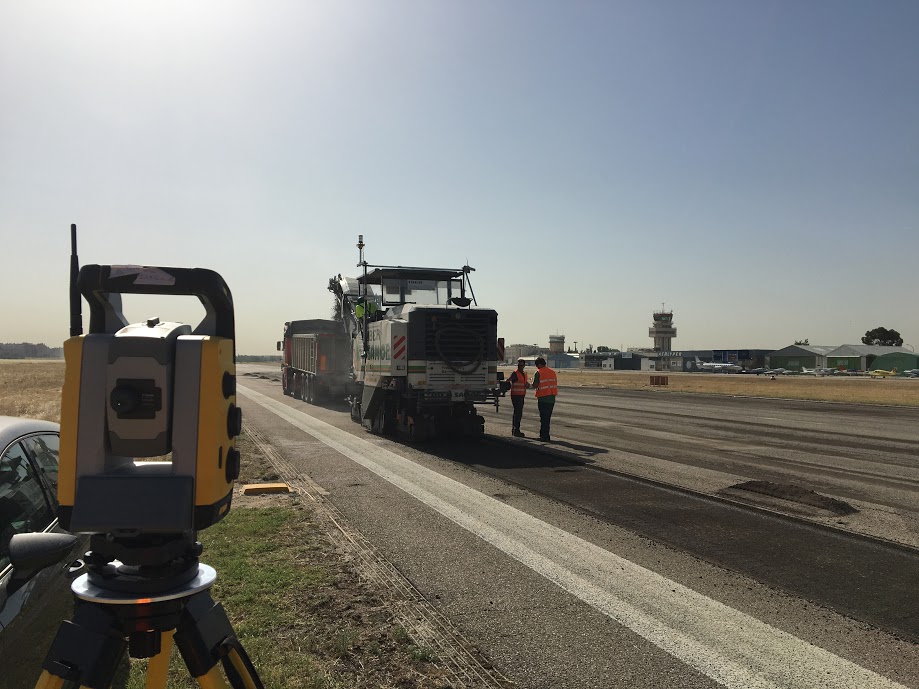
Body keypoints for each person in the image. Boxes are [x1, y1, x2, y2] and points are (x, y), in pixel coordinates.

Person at [531, 357, 558, 441]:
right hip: (552, 398)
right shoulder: (552, 372)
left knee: (543, 418)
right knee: (547, 418)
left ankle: (544, 436)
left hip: (543, 398)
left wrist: (530, 383)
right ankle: (545, 434)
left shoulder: (539, 373)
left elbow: (535, 385)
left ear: (539, 364)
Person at [507, 359, 530, 437]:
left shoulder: (524, 374)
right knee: (518, 413)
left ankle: (515, 429)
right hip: (516, 395)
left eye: (521, 365)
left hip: (521, 395)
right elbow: (508, 380)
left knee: (518, 413)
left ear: (524, 366)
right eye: (519, 365)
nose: (520, 366)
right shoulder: (515, 373)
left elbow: (524, 383)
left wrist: (527, 384)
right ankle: (516, 430)